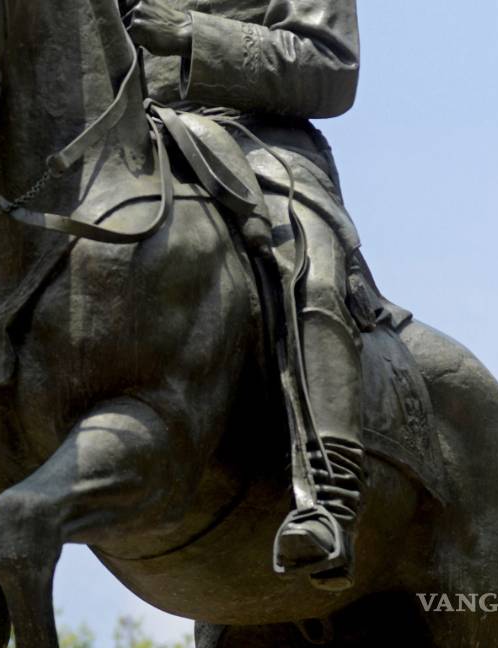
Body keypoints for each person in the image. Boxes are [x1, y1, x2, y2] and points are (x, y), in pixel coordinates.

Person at [127, 0, 393, 590]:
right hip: (125, 146)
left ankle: (329, 496)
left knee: (309, 267)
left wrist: (193, 35)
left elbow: (331, 66)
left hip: (253, 142)